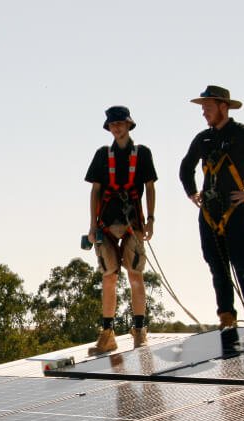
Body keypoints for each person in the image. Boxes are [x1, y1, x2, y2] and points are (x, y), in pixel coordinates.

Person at [180, 85, 244, 329]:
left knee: (242, 264)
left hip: (235, 210)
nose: (204, 112)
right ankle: (226, 318)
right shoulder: (202, 138)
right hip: (208, 213)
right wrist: (192, 192)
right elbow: (185, 168)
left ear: (223, 106)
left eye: (208, 107)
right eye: (203, 108)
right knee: (217, 267)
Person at [85, 106, 157, 352]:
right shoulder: (102, 155)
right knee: (109, 276)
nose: (116, 128)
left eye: (120, 123)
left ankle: (139, 329)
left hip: (133, 222)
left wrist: (151, 219)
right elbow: (95, 191)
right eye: (112, 124)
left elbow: (150, 187)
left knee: (135, 274)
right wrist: (92, 225)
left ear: (128, 125)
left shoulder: (143, 154)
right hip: (106, 223)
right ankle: (107, 334)